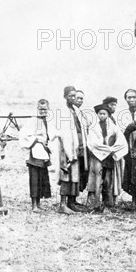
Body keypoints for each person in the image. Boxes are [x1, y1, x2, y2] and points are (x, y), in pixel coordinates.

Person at [86, 104, 129, 211]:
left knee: (108, 180)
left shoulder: (114, 128)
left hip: (109, 158)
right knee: (97, 179)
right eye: (100, 114)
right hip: (97, 157)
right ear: (97, 115)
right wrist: (106, 149)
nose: (102, 116)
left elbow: (121, 141)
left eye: (104, 114)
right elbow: (93, 143)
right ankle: (95, 203)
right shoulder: (93, 128)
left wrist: (113, 149)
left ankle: (109, 203)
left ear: (108, 115)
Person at [53, 85, 89, 214]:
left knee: (75, 174)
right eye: (71, 96)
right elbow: (63, 132)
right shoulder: (63, 111)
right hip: (66, 148)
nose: (73, 98)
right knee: (66, 174)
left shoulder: (76, 110)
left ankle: (71, 202)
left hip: (78, 146)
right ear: (65, 97)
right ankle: (62, 204)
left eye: (75, 96)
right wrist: (69, 151)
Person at [19, 99, 52, 211]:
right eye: (41, 109)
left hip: (43, 153)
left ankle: (38, 204)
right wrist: (37, 139)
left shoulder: (47, 121)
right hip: (34, 153)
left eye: (45, 109)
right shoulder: (33, 121)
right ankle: (34, 205)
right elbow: (23, 134)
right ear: (37, 109)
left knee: (41, 178)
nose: (43, 111)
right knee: (34, 179)